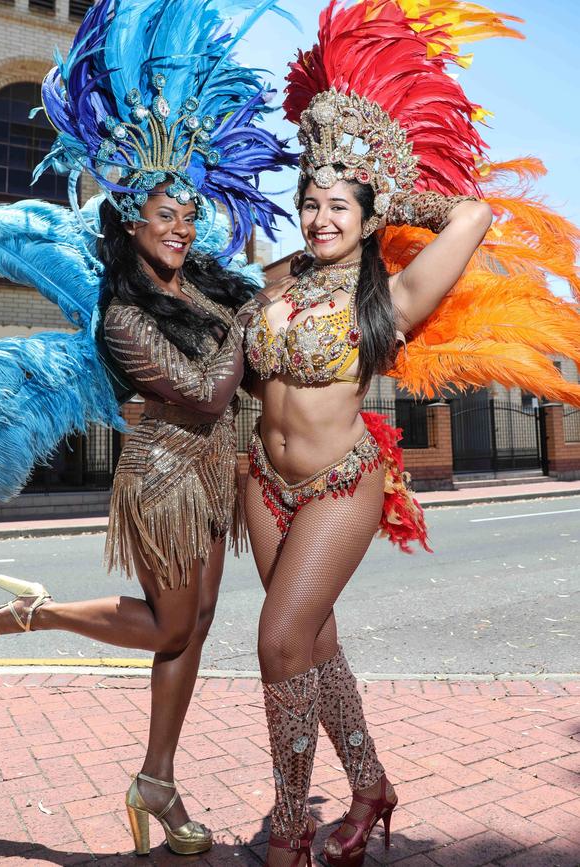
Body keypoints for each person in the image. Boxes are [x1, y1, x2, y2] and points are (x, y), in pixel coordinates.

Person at [243, 2, 580, 866]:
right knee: (313, 641)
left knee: (279, 641)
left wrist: (388, 189)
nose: (319, 218)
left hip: (336, 483)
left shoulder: (389, 299)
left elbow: (470, 216)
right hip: (261, 482)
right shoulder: (281, 280)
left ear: (365, 212)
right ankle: (369, 785)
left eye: (337, 208)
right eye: (309, 203)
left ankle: (290, 830)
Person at [0, 0, 294, 856]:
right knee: (168, 626)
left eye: (187, 217)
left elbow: (256, 346)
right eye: (163, 217)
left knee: (195, 626)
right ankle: (38, 616)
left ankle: (158, 778)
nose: (180, 228)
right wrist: (240, 328)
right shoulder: (121, 314)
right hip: (163, 476)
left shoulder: (206, 287)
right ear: (130, 225)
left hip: (215, 474)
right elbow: (206, 391)